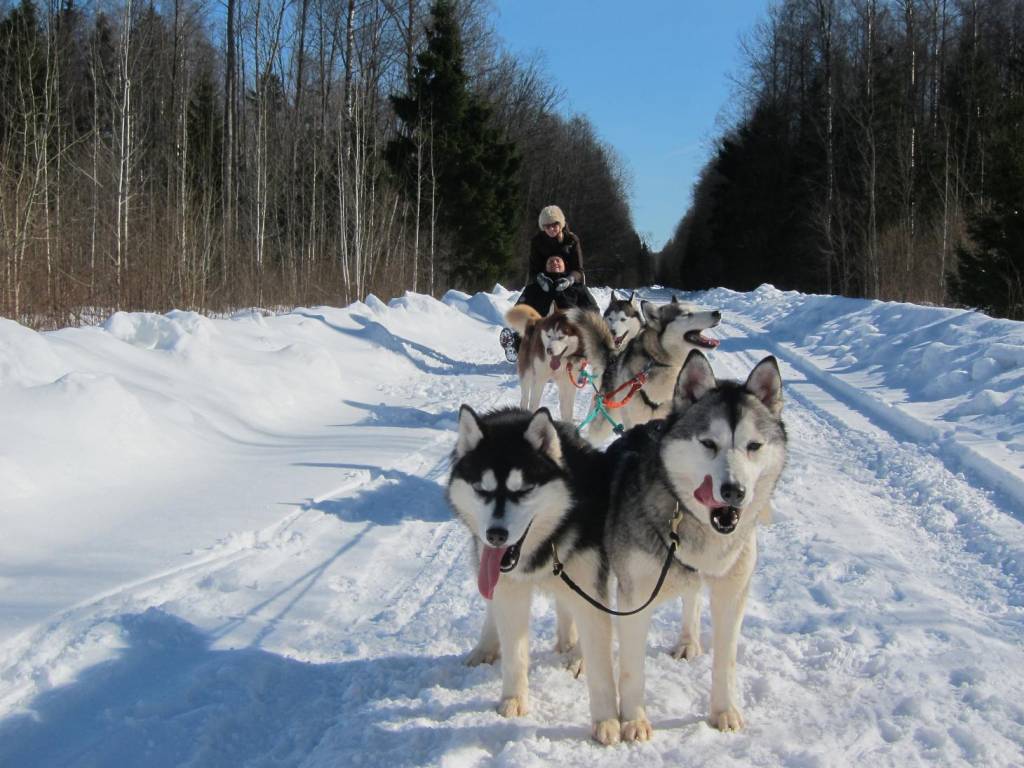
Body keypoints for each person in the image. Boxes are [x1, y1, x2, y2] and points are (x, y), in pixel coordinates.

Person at [500, 205, 598, 362]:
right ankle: (515, 344)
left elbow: (579, 270)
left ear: (562, 224)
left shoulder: (571, 240)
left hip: (568, 284)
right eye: (547, 226)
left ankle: (586, 349)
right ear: (542, 227)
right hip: (544, 283)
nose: (552, 228)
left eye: (555, 224)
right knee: (531, 311)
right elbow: (533, 269)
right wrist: (540, 278)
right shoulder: (537, 242)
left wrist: (571, 279)